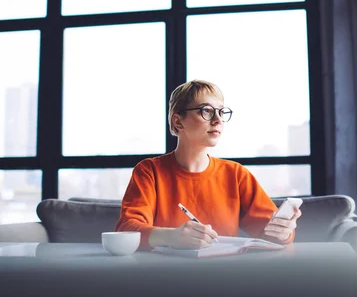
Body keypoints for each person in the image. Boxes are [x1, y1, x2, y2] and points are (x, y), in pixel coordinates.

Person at [114, 80, 301, 250]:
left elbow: (269, 235)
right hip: (164, 274)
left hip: (223, 274)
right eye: (206, 111)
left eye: (221, 112)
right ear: (178, 121)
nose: (218, 120)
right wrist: (172, 236)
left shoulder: (236, 175)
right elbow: (127, 230)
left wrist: (284, 232)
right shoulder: (149, 172)